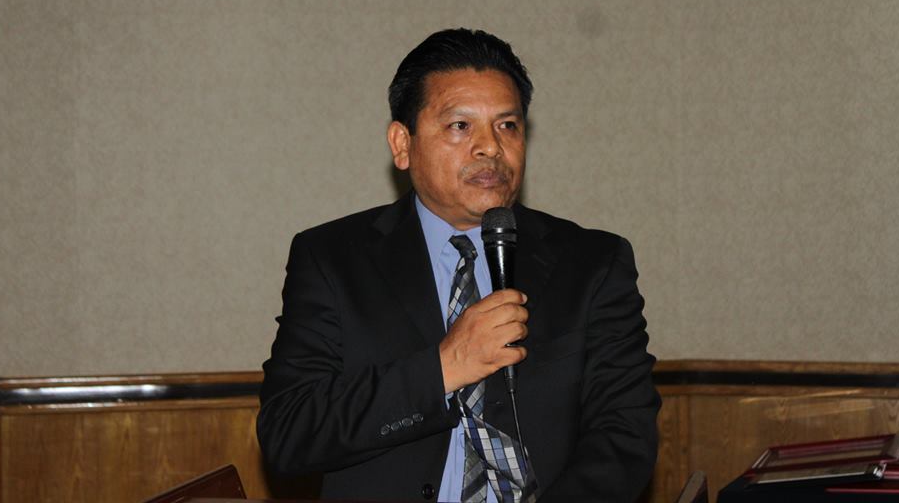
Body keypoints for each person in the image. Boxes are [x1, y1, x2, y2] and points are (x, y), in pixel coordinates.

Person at [258, 28, 660, 502]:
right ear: (402, 144)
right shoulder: (333, 259)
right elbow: (289, 433)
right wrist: (443, 368)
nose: (490, 147)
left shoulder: (592, 263)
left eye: (507, 126)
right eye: (460, 126)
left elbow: (624, 435)